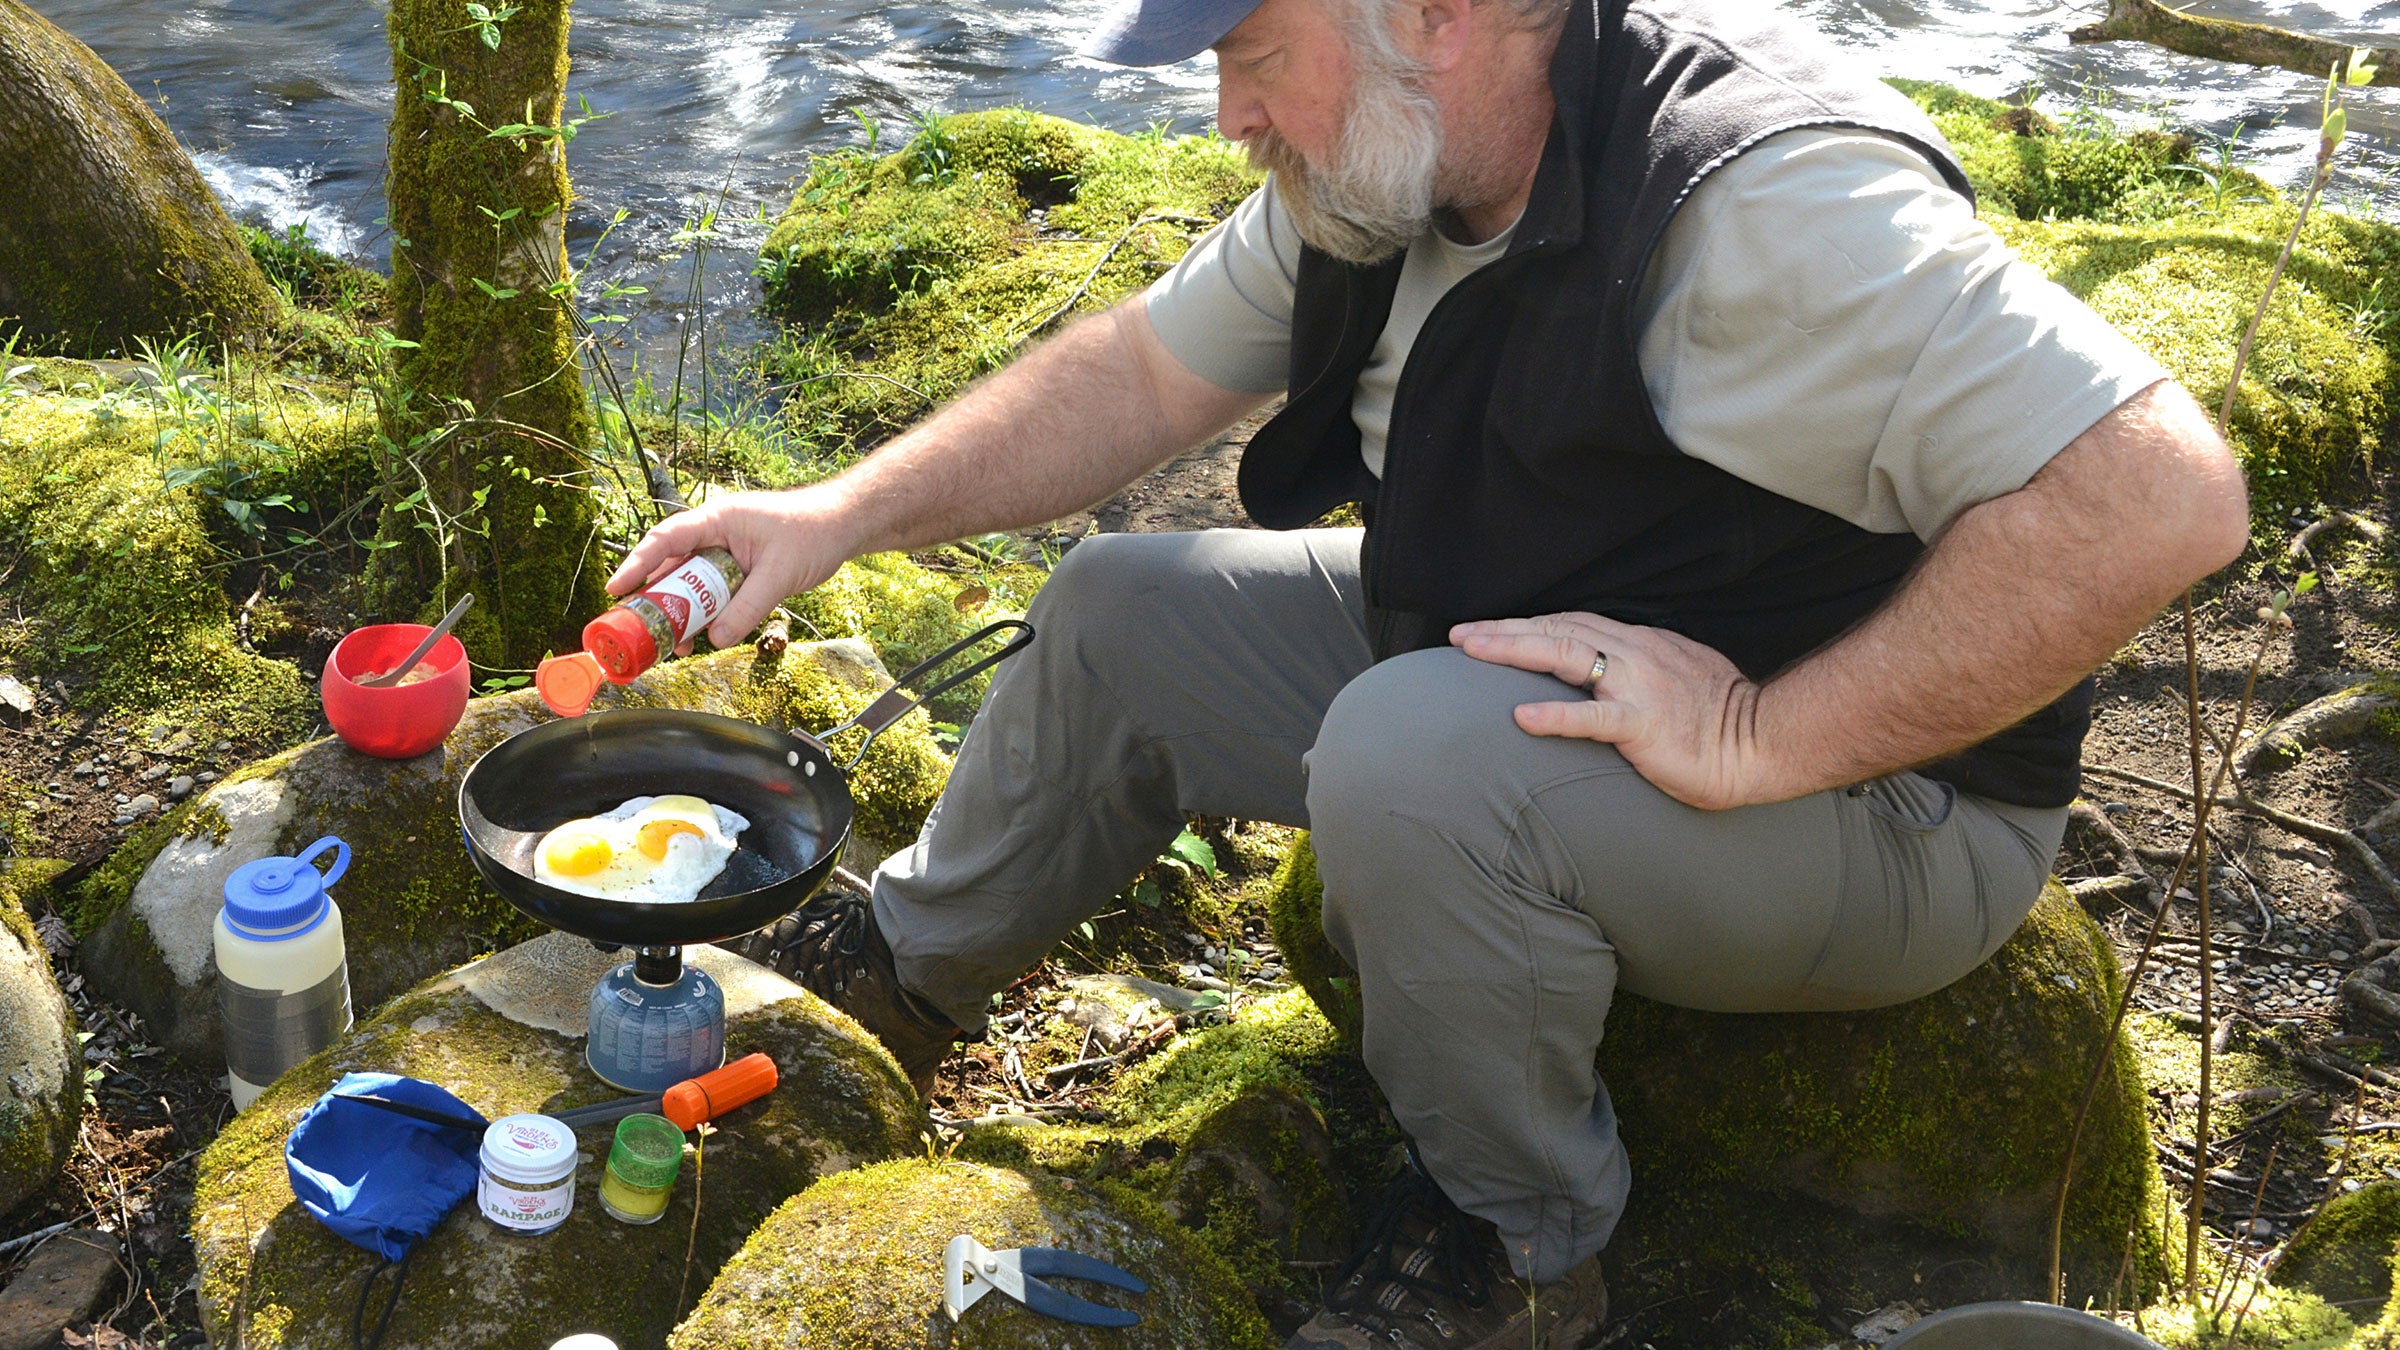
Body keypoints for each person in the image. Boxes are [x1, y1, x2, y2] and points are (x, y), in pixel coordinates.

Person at [611, 0, 2251, 1339]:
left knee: (1407, 761)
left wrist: (1765, 729)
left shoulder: (1761, 206)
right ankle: (900, 972)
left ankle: (1525, 1252)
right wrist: (837, 514)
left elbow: (2162, 495)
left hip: (1888, 799)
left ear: (1437, 16)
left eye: (1253, 58)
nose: (1227, 115)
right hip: (1530, 632)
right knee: (1117, 606)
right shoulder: (1399, 165)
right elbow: (1134, 378)